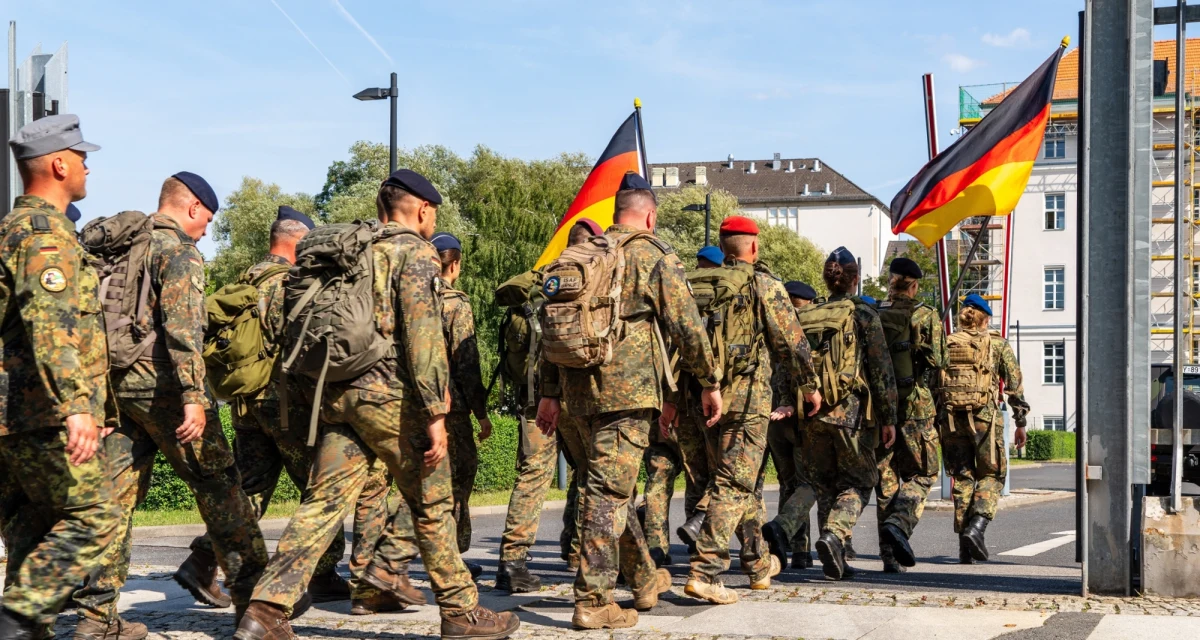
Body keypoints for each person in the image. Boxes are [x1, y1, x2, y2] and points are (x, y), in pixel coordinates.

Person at [235, 169, 518, 640]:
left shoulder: (349, 249)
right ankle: (462, 613)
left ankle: (264, 611)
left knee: (321, 503)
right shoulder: (414, 253)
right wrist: (436, 415)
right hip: (389, 397)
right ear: (424, 209)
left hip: (335, 394)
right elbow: (424, 339)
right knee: (432, 500)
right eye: (433, 213)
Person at [73, 172, 269, 639]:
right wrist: (195, 398)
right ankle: (256, 607)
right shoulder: (177, 249)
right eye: (208, 221)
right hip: (160, 383)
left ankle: (94, 618)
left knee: (112, 500)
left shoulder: (120, 247)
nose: (206, 230)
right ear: (195, 207)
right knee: (221, 486)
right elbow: (184, 330)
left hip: (112, 385)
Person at [537, 172, 721, 630]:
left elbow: (553, 325)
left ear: (614, 214)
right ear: (650, 216)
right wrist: (709, 380)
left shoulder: (581, 253)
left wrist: (548, 393)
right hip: (626, 396)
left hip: (577, 393)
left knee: (609, 489)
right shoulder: (651, 255)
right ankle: (593, 599)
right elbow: (687, 325)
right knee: (608, 494)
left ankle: (642, 579)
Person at [174, 207, 353, 608]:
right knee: (321, 486)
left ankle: (201, 561)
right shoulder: (290, 283)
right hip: (285, 406)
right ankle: (320, 574)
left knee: (250, 490)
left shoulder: (248, 279)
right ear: (296, 239)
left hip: (245, 405)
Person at [0, 115, 120, 640]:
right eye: (82, 156)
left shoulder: (10, 228)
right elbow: (51, 328)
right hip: (40, 409)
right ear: (58, 163)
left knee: (29, 530)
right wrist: (77, 406)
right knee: (95, 516)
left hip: (13, 414)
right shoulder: (45, 237)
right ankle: (17, 617)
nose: (88, 166)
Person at [674, 216, 820, 604]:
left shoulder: (696, 283)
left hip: (704, 398)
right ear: (753, 247)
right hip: (748, 400)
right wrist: (809, 385)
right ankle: (705, 570)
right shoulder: (763, 284)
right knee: (734, 484)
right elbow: (792, 342)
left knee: (742, 484)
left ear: (724, 248)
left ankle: (758, 564)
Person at [767, 247, 898, 581]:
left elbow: (787, 362)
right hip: (849, 413)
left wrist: (785, 402)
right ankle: (834, 535)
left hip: (810, 412)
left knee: (818, 483)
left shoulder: (808, 315)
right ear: (855, 279)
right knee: (861, 480)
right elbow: (882, 371)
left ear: (826, 278)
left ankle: (788, 529)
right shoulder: (864, 315)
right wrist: (889, 419)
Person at [496, 217, 600, 592]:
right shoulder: (594, 284)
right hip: (579, 401)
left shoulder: (539, 288)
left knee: (531, 478)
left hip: (533, 400)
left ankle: (512, 562)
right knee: (595, 476)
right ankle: (583, 555)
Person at [942, 293, 1029, 563]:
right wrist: (1020, 423)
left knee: (963, 477)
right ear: (985, 319)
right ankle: (977, 528)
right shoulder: (997, 344)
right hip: (984, 417)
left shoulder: (947, 343)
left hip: (951, 418)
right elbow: (1014, 387)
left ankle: (964, 547)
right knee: (992, 475)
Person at [873, 257, 946, 573]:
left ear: (891, 282)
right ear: (914, 285)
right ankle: (900, 523)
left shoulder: (876, 314)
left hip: (879, 410)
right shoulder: (926, 315)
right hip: (916, 407)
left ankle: (889, 557)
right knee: (924, 474)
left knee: (886, 480)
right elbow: (940, 360)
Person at [432, 231, 492, 578]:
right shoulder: (456, 303)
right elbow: (466, 362)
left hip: (408, 405)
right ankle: (452, 556)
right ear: (454, 264)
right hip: (449, 409)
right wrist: (481, 413)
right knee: (459, 477)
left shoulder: (409, 298)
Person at [670, 245, 728, 556]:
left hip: (683, 394)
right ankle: (709, 538)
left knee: (695, 472)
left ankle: (695, 537)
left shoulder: (685, 288)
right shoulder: (727, 290)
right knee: (726, 468)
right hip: (716, 393)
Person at [761, 280, 819, 570]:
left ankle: (791, 549)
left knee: (787, 483)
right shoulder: (802, 330)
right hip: (796, 414)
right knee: (806, 482)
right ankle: (799, 548)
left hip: (769, 416)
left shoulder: (767, 325)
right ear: (807, 302)